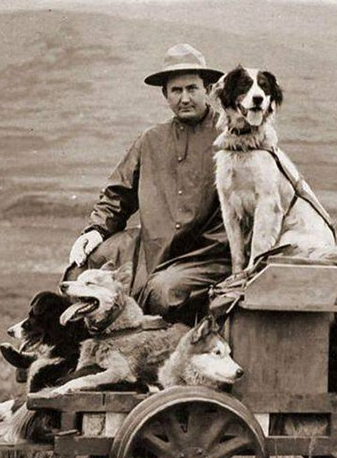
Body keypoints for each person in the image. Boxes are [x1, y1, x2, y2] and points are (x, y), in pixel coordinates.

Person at [67, 44, 232, 323]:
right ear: (165, 95)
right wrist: (96, 229)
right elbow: (118, 192)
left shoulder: (229, 136)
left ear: (208, 89)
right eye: (176, 91)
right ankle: (75, 355)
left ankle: (155, 355)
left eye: (192, 88)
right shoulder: (151, 140)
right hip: (151, 247)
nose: (185, 98)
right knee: (82, 270)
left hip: (207, 254)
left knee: (163, 292)